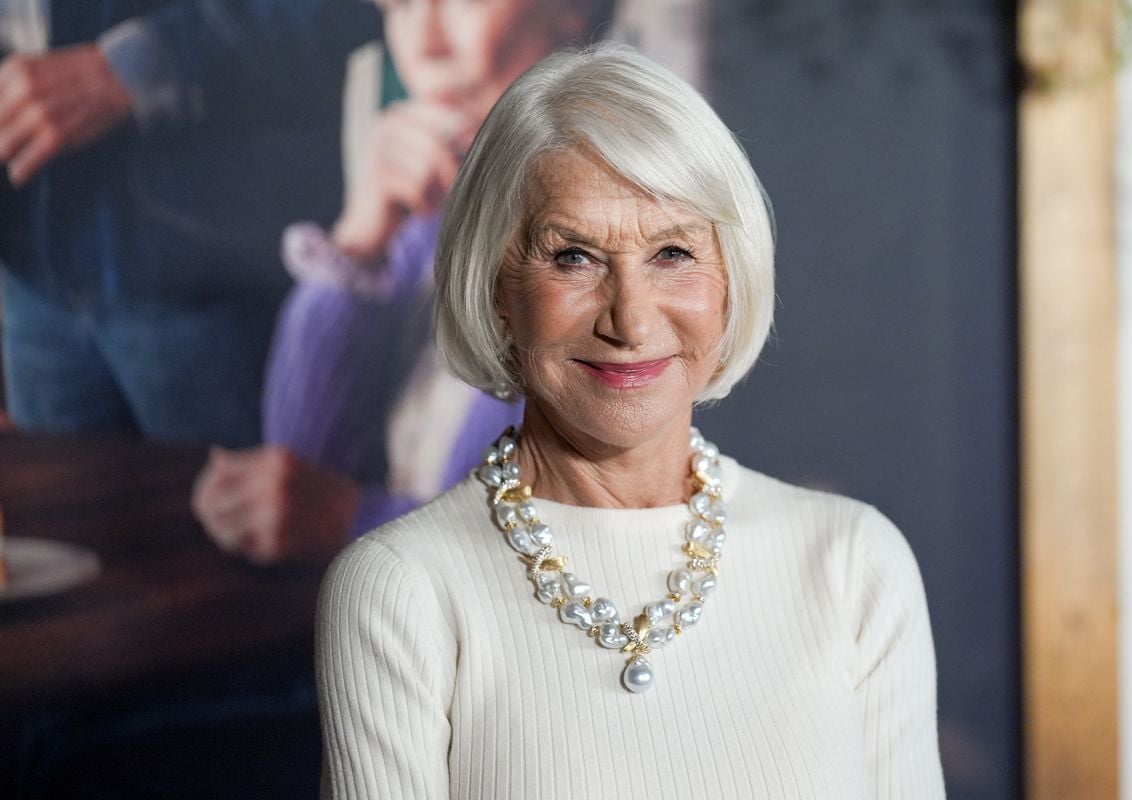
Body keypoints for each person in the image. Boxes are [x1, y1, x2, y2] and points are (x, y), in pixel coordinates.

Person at [316, 44, 946, 798]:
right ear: (496, 293)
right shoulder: (399, 589)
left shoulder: (853, 565)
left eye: (674, 252)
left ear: (731, 283)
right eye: (574, 257)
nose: (632, 319)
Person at [191, 0, 615, 564]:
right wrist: (360, 240)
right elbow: (302, 474)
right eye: (401, 5)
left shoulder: (622, 244)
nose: (424, 47)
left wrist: (351, 520)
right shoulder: (441, 213)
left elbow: (541, 568)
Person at [0, 0, 379, 446]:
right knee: (54, 513)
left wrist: (136, 64)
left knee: (229, 511)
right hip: (30, 275)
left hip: (207, 270)